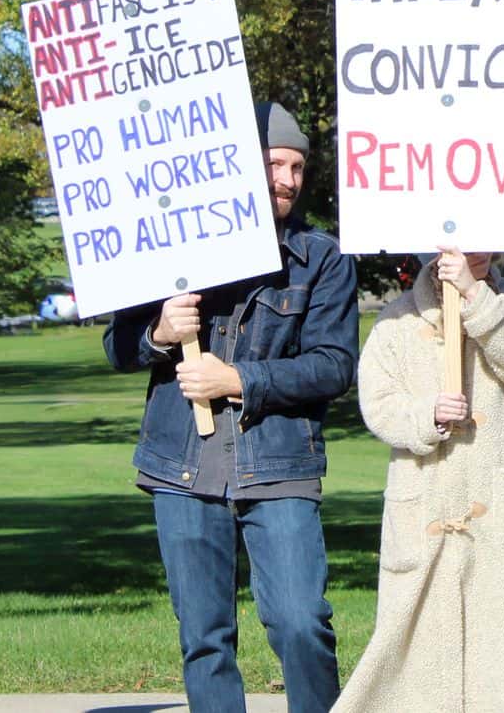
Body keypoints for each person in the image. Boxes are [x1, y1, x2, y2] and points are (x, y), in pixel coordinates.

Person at [104, 101, 358, 713]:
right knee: (204, 639)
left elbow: (333, 366)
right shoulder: (168, 250)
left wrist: (236, 378)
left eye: (298, 167)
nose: (288, 180)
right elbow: (118, 345)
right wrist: (161, 331)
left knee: (302, 622)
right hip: (181, 469)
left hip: (279, 467)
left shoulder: (322, 258)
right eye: (275, 163)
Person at [332, 247, 504, 713]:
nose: (476, 249)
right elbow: (378, 404)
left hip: (502, 505)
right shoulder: (398, 317)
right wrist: (427, 415)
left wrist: (472, 294)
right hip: (425, 504)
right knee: (416, 656)